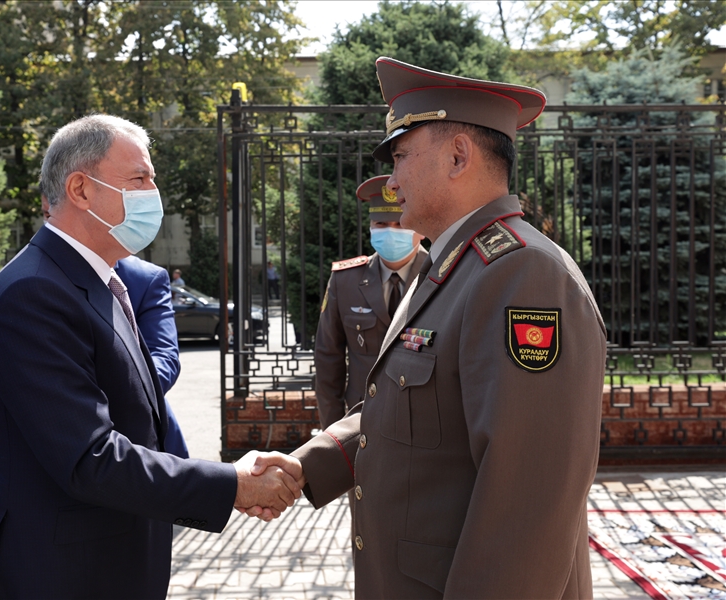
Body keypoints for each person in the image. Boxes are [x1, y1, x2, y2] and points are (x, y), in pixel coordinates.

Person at [253, 57, 607, 598]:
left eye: (399, 156)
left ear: (458, 156)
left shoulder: (521, 273)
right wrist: (306, 465)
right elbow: (401, 407)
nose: (391, 182)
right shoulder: (449, 266)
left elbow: (529, 499)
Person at [0, 114, 302, 600]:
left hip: (108, 564)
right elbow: (90, 457)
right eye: (139, 179)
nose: (153, 192)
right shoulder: (34, 292)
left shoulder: (96, 282)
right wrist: (232, 485)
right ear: (80, 188)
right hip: (56, 575)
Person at [0, 220, 190, 458]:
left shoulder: (145, 279)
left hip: (150, 444)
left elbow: (164, 358)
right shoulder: (29, 277)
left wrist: (100, 391)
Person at [314, 176, 427, 428]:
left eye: (399, 224)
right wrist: (332, 434)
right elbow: (327, 358)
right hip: (360, 420)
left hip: (424, 421)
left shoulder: (442, 275)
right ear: (370, 227)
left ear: (420, 228)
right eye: (381, 223)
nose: (390, 231)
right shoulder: (345, 281)